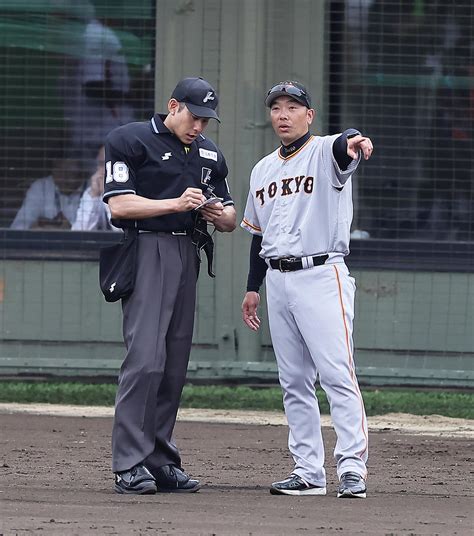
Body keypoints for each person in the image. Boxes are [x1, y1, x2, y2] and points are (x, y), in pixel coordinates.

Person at [103, 77, 236, 494]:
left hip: (186, 252)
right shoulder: (130, 139)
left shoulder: (209, 153)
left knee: (174, 363)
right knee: (145, 359)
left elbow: (232, 216)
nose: (199, 127)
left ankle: (160, 459)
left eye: (206, 121)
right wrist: (175, 203)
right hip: (146, 249)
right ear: (173, 105)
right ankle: (129, 462)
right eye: (194, 117)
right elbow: (119, 203)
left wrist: (218, 214)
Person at [241, 81, 374, 498]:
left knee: (336, 373)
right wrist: (252, 288)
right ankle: (308, 471)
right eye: (276, 107)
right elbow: (256, 235)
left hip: (322, 274)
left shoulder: (324, 151)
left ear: (308, 115)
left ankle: (352, 467)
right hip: (277, 278)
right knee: (293, 380)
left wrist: (354, 138)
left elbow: (345, 143)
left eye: (292, 107)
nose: (283, 114)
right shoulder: (261, 169)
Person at [10, 156, 85, 230]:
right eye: (58, 171)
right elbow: (19, 228)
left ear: (80, 172)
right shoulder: (41, 187)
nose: (63, 177)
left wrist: (68, 230)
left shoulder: (92, 191)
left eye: (69, 172)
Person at [72, 146, 119, 231]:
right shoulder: (93, 191)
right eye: (101, 164)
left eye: (108, 164)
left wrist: (109, 197)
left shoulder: (131, 192)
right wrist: (94, 196)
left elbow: (123, 232)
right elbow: (79, 232)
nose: (104, 170)